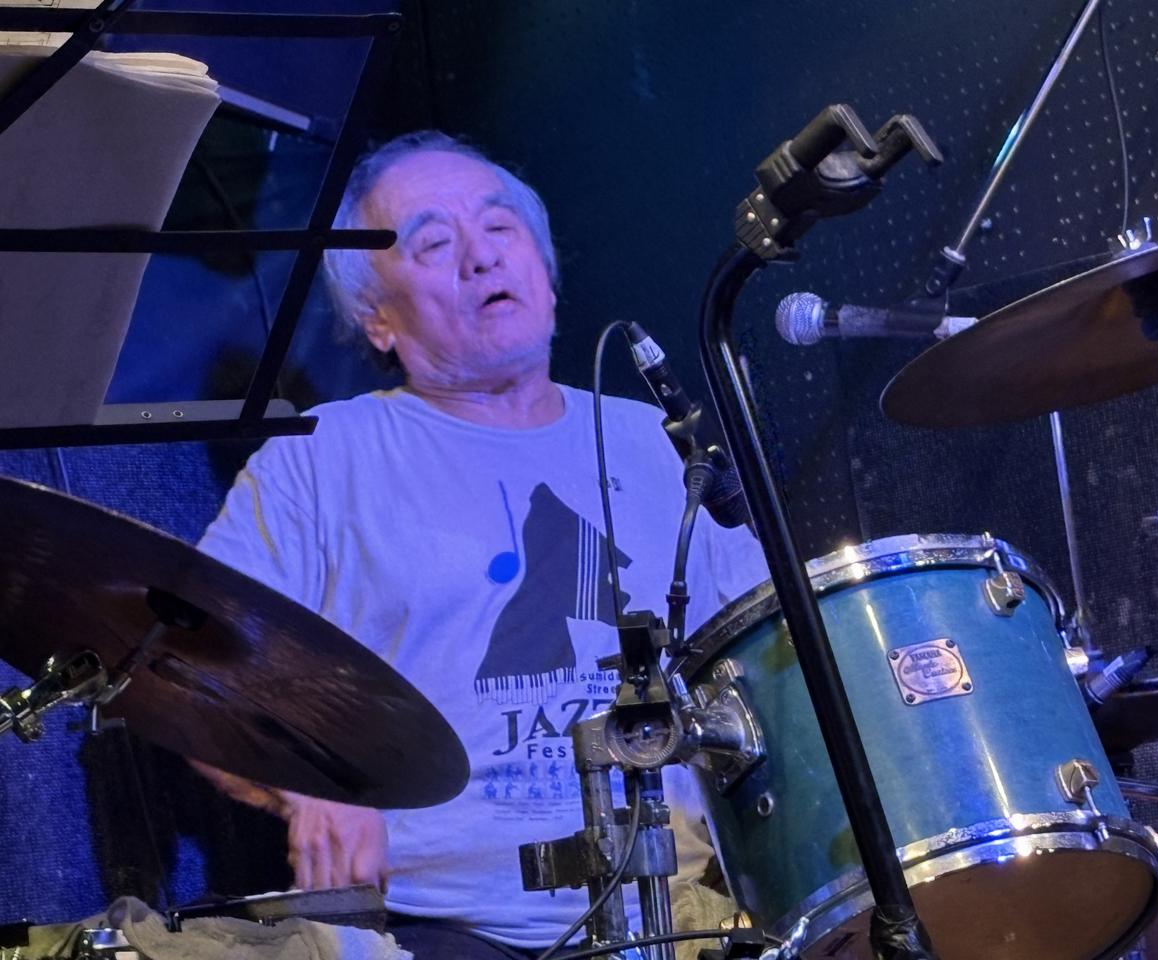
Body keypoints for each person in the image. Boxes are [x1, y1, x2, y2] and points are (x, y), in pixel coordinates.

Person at [196, 130, 767, 959]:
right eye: (433, 243)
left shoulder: (663, 444)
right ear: (375, 318)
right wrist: (306, 789)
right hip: (434, 927)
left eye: (501, 227)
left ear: (546, 271)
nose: (481, 256)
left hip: (676, 912)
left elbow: (774, 661)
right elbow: (190, 667)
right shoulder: (320, 458)